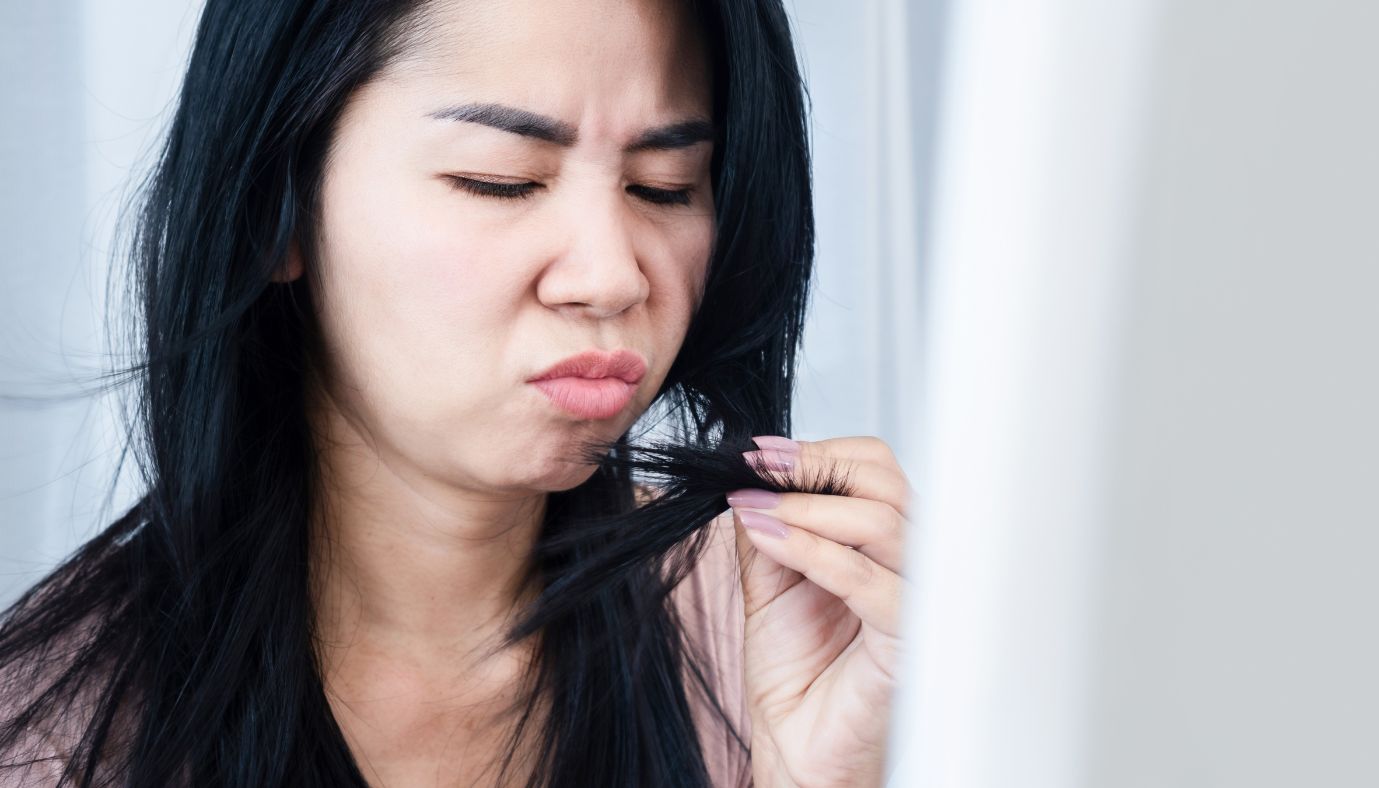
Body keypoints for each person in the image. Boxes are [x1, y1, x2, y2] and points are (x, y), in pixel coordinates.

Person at [0, 0, 910, 785]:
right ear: (275, 211)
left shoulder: (793, 634)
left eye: (662, 187)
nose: (608, 277)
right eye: (500, 180)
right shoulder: (52, 740)